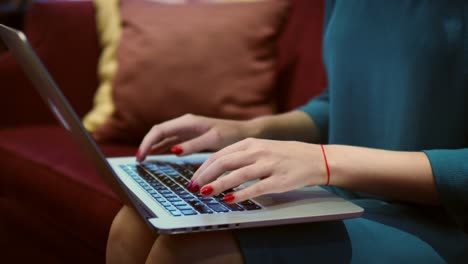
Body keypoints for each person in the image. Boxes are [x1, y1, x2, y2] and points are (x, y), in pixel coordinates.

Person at [106, 1, 468, 263]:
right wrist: (248, 130)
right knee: (134, 222)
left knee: (193, 251)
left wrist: (327, 161)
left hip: (446, 219)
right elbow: (339, 102)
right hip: (348, 197)